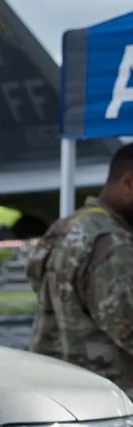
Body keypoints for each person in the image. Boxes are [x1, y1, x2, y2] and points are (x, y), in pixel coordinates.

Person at [28, 140, 133, 389]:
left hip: (61, 391)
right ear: (129, 183)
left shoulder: (66, 227)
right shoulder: (111, 243)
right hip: (108, 400)